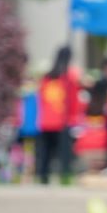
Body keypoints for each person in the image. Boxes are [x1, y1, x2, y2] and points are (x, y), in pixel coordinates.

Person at [34, 46, 83, 184]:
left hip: (45, 121)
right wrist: (74, 119)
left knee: (45, 152)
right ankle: (64, 176)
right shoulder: (68, 78)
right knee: (64, 152)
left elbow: (40, 99)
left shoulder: (46, 77)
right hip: (61, 121)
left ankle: (42, 176)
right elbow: (73, 101)